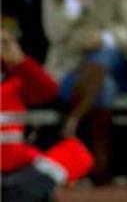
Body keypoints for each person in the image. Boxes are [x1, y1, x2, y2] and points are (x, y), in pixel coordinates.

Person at [41, 0, 127, 184]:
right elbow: (54, 33)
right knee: (103, 86)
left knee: (104, 54)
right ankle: (99, 165)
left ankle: (72, 125)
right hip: (67, 70)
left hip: (114, 65)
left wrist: (104, 37)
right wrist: (74, 0)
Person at [0, 28, 94, 198]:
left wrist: (19, 61)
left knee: (76, 153)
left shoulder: (13, 80)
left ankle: (18, 190)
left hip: (16, 166)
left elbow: (48, 92)